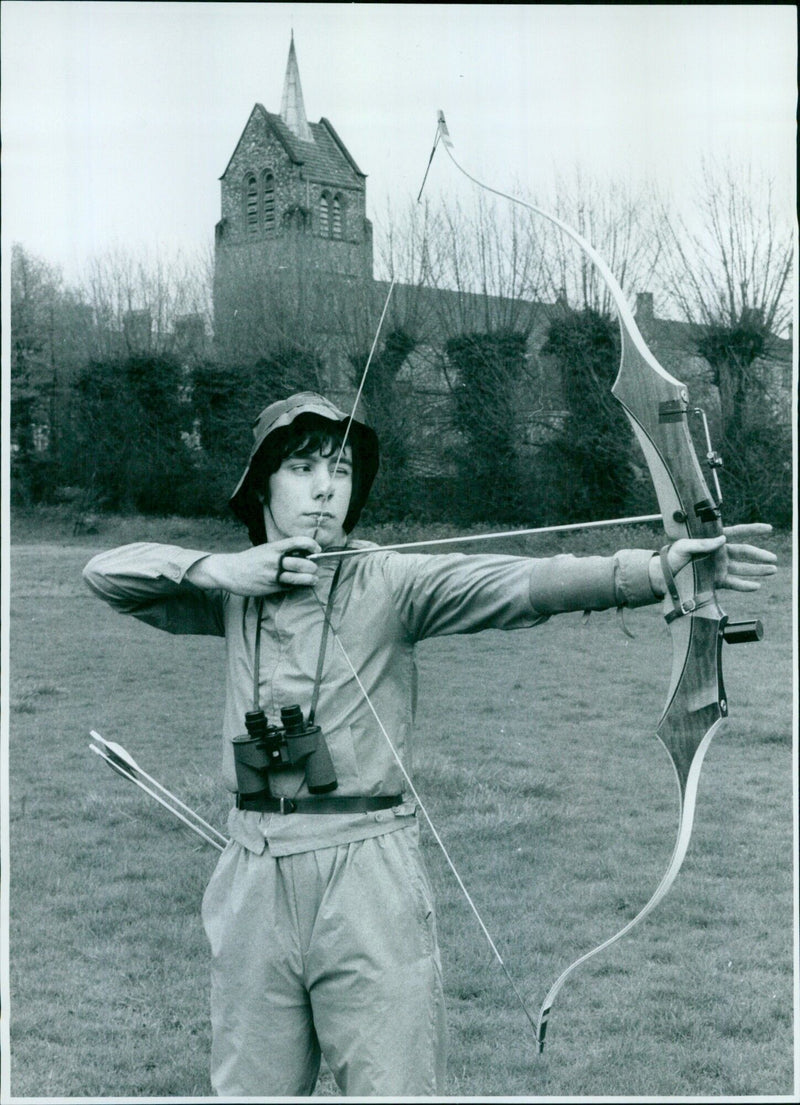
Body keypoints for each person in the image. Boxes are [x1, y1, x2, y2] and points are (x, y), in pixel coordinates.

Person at [82, 390, 777, 1097]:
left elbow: (520, 581)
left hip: (366, 876)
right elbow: (105, 574)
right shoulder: (231, 590)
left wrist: (654, 571)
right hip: (252, 871)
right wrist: (220, 569)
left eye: (342, 470)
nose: (326, 487)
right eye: (302, 467)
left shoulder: (390, 578)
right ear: (261, 482)